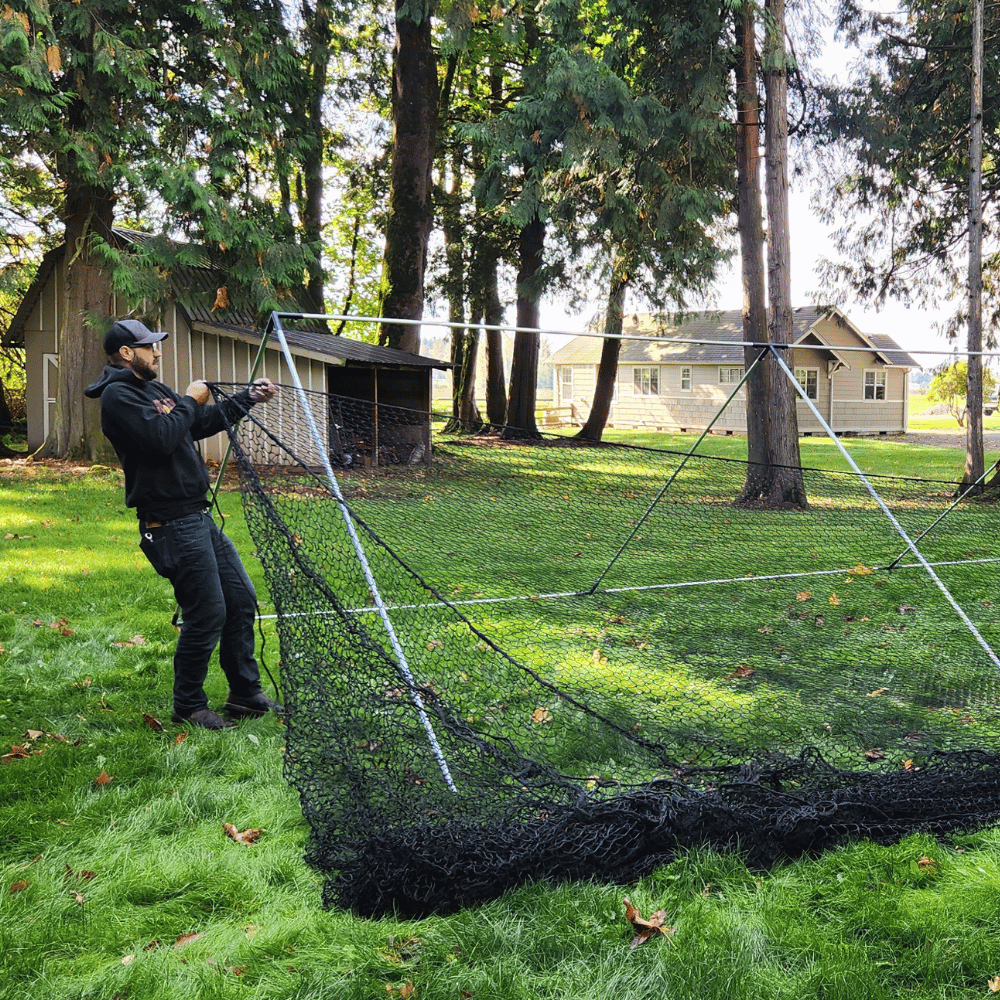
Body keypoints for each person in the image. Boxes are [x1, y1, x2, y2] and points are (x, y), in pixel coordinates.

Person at [84, 318, 283, 730]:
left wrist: (247, 398)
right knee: (207, 611)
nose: (157, 352)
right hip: (169, 523)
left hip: (198, 517)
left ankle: (245, 694)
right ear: (127, 353)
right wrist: (191, 399)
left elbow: (196, 424)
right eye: (149, 346)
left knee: (241, 601)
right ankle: (189, 705)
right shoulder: (118, 396)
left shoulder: (154, 390)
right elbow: (161, 437)